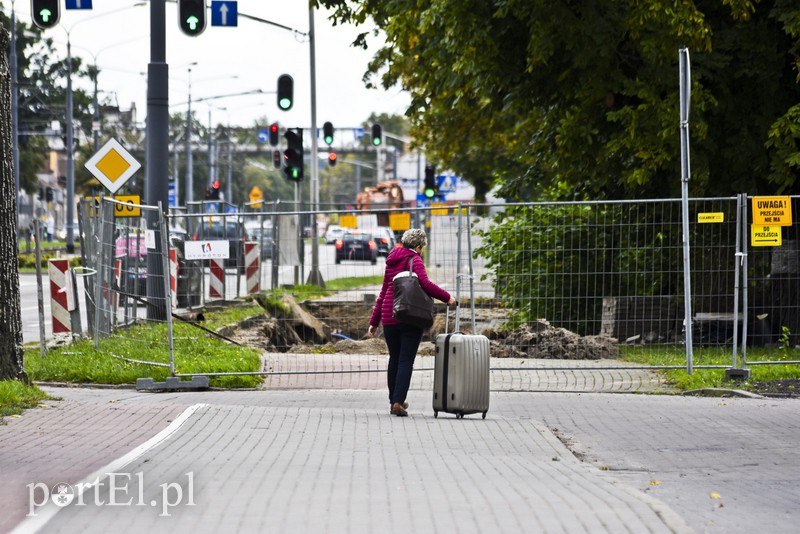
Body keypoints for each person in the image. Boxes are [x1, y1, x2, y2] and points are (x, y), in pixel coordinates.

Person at [367, 228, 456, 417]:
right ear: (417, 246)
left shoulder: (391, 260)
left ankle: (395, 400)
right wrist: (447, 298)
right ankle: (398, 402)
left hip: (390, 316)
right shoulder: (414, 259)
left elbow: (383, 293)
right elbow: (425, 284)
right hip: (410, 315)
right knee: (406, 359)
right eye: (422, 247)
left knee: (395, 358)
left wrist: (374, 322)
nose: (422, 250)